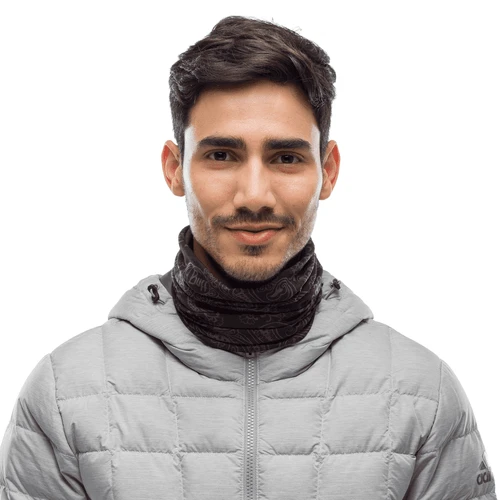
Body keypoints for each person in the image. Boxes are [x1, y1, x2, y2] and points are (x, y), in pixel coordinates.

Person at [0, 15, 496, 500]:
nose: (254, 195)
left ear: (327, 171)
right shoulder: (67, 394)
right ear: (175, 169)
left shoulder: (421, 393)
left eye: (286, 158)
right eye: (221, 155)